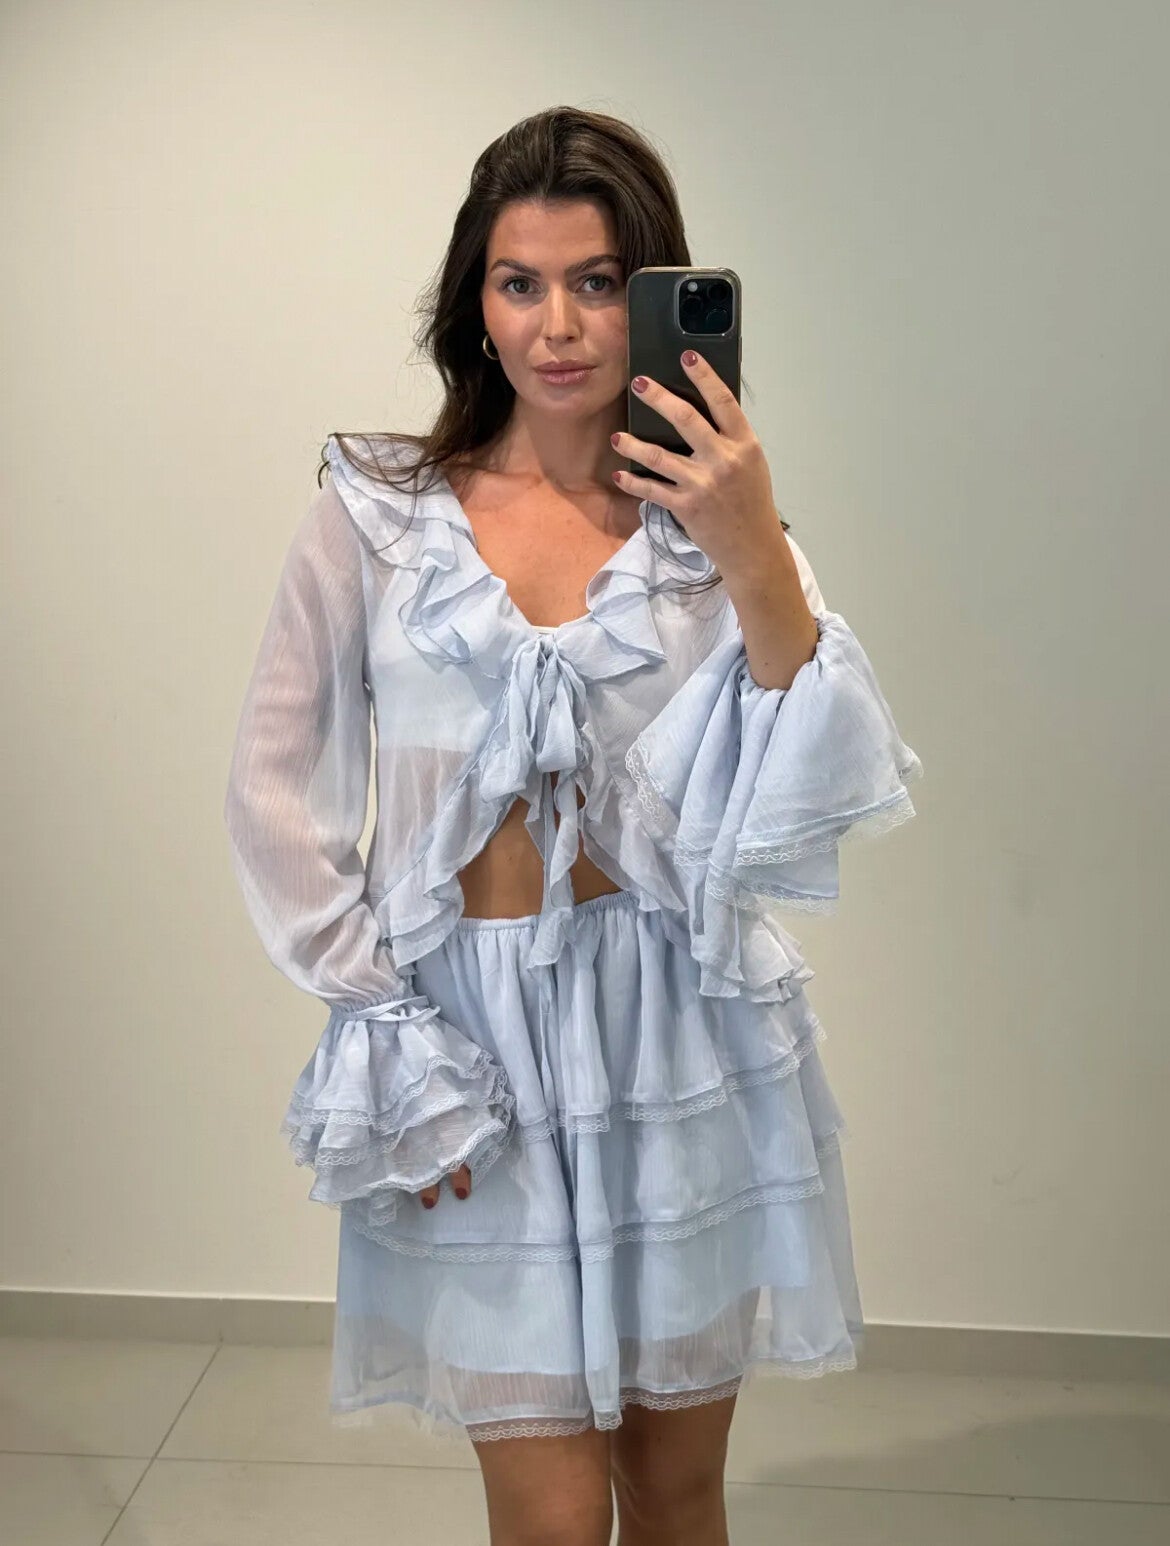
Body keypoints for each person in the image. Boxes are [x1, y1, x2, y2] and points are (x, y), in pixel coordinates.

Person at [224, 106, 923, 1546]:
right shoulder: (377, 519)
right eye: (519, 281)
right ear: (473, 304)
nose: (558, 325)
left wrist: (751, 545)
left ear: (650, 292)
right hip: (466, 1046)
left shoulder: (711, 520)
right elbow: (274, 787)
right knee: (545, 1517)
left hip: (676, 1034)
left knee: (674, 1493)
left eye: (598, 282)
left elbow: (806, 774)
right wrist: (382, 1027)